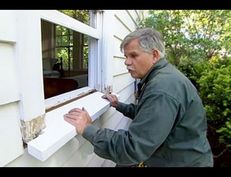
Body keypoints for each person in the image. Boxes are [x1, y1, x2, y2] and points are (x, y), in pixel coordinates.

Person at [64, 27, 213, 167]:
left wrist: (87, 128)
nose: (126, 62)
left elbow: (132, 148)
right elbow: (149, 115)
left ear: (154, 55)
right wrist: (119, 105)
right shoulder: (164, 77)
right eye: (126, 56)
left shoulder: (162, 89)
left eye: (133, 55)